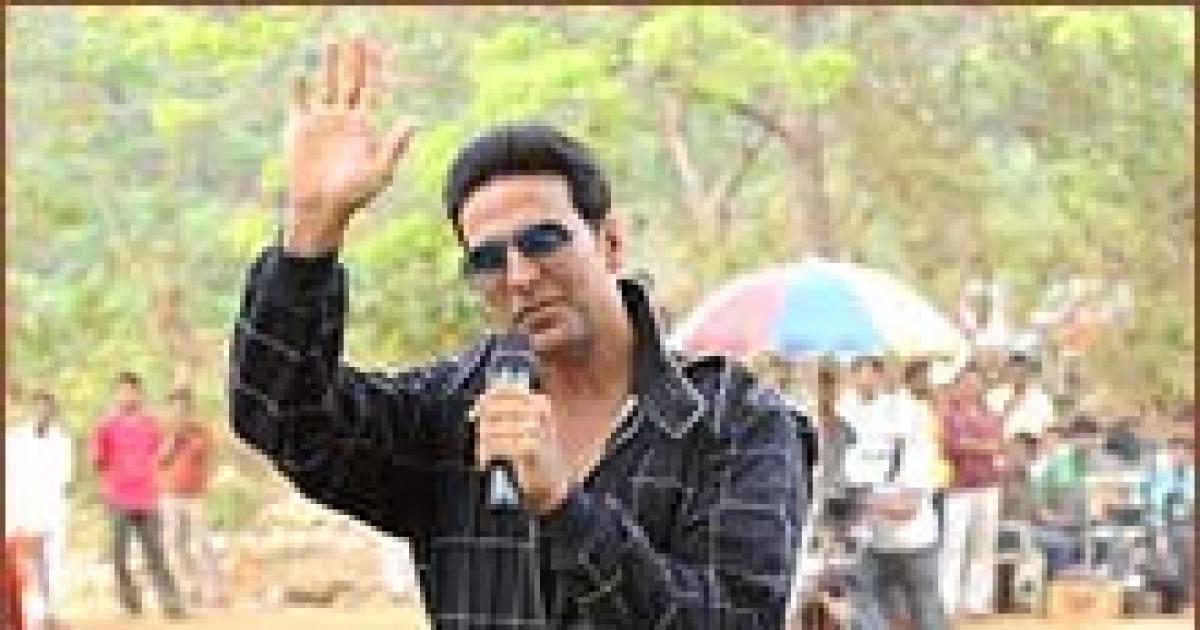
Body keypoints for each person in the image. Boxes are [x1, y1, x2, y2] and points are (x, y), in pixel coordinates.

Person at [228, 39, 810, 629]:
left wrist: (566, 510)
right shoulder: (444, 414)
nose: (520, 277)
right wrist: (311, 228)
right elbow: (283, 419)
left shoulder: (736, 422)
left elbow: (737, 619)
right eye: (487, 259)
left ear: (611, 243)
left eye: (543, 241)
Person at [845, 359, 947, 630]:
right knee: (865, 604)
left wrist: (862, 502)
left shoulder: (918, 447)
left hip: (914, 544)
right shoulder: (860, 424)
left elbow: (907, 509)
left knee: (925, 612)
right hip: (872, 543)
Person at [89, 372, 184, 619]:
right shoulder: (106, 425)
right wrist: (100, 465)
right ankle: (131, 602)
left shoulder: (151, 423)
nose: (127, 395)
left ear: (139, 394)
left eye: (131, 391)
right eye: (122, 391)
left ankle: (171, 602)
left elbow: (164, 456)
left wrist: (170, 446)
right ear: (116, 394)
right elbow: (97, 460)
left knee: (155, 551)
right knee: (118, 554)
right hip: (118, 496)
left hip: (147, 496)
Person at [938, 361, 1003, 619]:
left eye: (976, 383)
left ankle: (976, 601)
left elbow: (998, 445)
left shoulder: (990, 415)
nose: (971, 388)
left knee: (983, 546)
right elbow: (952, 446)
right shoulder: (949, 415)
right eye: (966, 383)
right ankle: (947, 601)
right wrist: (981, 446)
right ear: (958, 385)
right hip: (960, 488)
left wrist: (973, 445)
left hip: (988, 486)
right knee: (954, 545)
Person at [4, 390, 73, 629]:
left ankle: (52, 614)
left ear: (54, 411)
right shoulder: (15, 439)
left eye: (47, 407)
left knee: (54, 562)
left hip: (53, 508)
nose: (43, 412)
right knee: (31, 566)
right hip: (26, 510)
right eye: (39, 407)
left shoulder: (62, 440)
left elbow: (66, 478)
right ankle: (35, 615)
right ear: (32, 409)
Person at [158, 386, 223, 608]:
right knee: (174, 544)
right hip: (169, 494)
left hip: (195, 495)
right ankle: (188, 587)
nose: (178, 411)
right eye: (175, 407)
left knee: (202, 541)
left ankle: (213, 592)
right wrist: (172, 440)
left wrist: (185, 435)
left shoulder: (201, 430)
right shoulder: (164, 431)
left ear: (189, 409)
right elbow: (160, 461)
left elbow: (205, 454)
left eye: (183, 407)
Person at [985, 352, 1055, 439]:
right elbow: (992, 424)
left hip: (1033, 442)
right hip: (1005, 442)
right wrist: (1014, 399)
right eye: (1014, 370)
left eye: (1022, 371)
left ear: (1028, 372)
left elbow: (1047, 427)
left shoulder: (1040, 396)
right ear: (1007, 371)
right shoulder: (995, 394)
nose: (1018, 375)